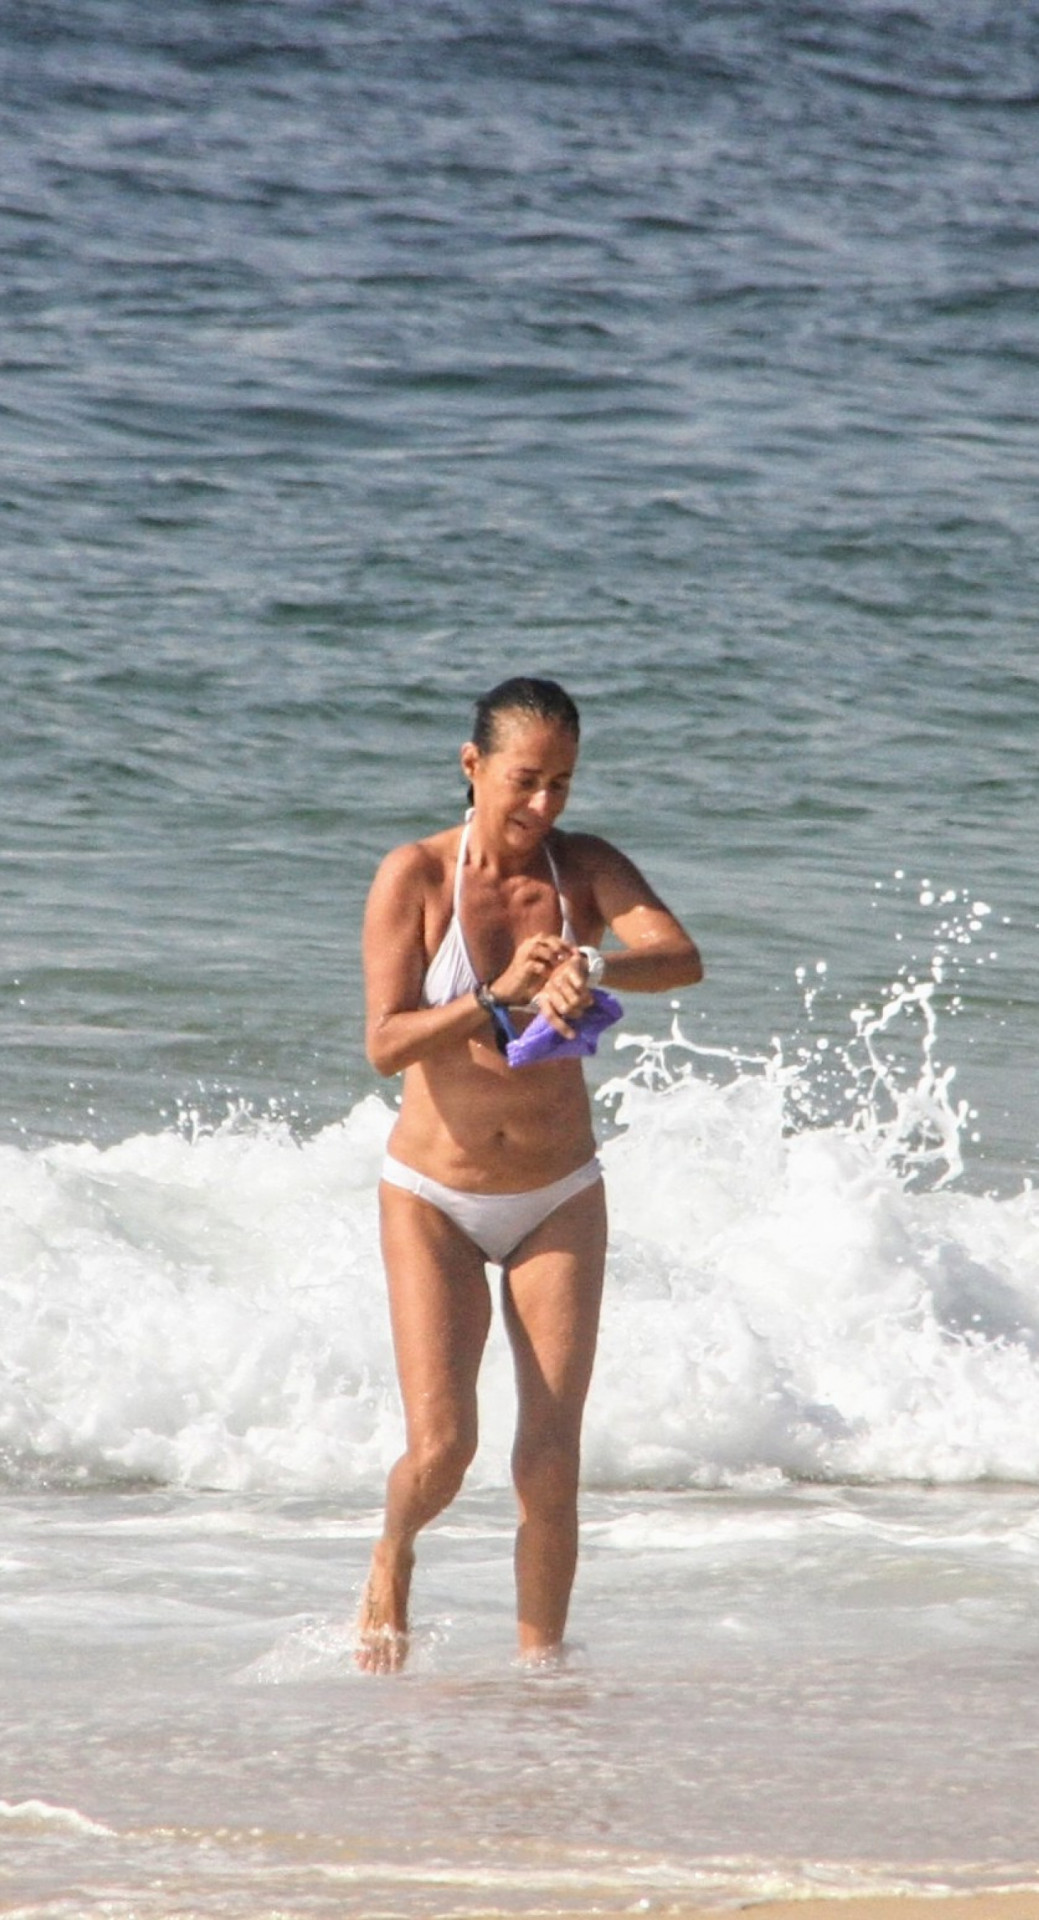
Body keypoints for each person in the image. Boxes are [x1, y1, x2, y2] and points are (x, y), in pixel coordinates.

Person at [358, 676, 702, 1670]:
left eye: (561, 783)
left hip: (557, 1195)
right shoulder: (413, 877)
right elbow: (383, 1045)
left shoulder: (581, 866)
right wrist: (497, 997)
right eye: (525, 781)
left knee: (549, 1464)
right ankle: (391, 1553)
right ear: (471, 769)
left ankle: (539, 1685)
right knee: (443, 1451)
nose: (544, 805)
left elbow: (677, 956)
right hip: (433, 1197)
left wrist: (595, 967)